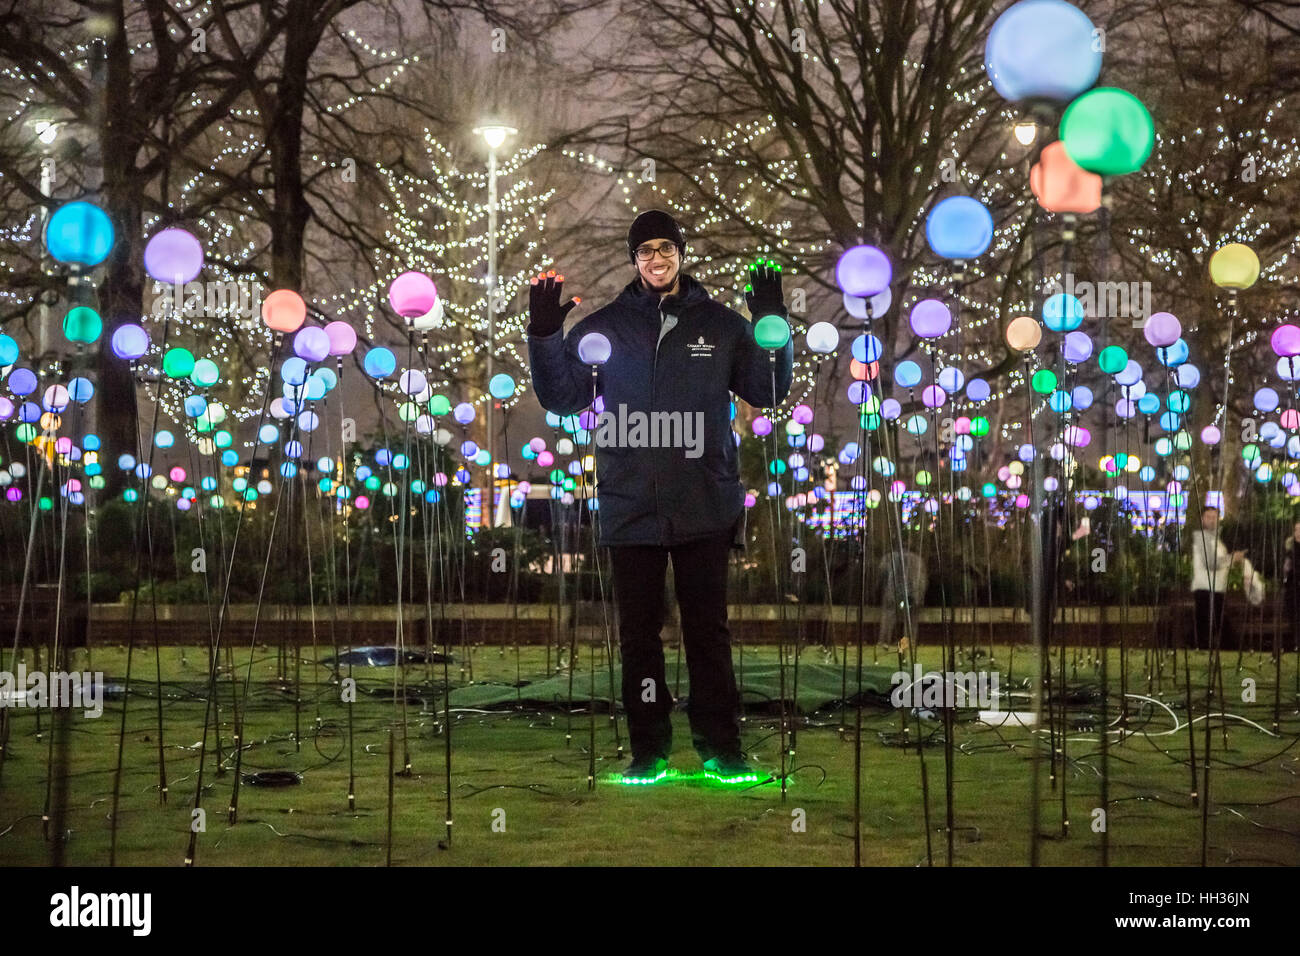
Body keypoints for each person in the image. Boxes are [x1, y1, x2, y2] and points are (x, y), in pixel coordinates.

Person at [526, 209, 793, 783]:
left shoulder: (721, 326)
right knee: (639, 636)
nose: (655, 258)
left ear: (681, 253)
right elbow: (563, 399)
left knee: (707, 632)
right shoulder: (605, 329)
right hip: (630, 504)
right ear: (634, 259)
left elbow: (768, 390)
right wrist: (546, 337)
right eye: (644, 250)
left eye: (665, 248)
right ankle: (649, 750)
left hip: (704, 502)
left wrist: (772, 319)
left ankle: (722, 748)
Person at [1188, 505, 1242, 649]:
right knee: (1212, 622)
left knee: (1210, 622)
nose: (1212, 521)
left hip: (1216, 588)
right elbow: (1211, 562)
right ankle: (1223, 646)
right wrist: (1232, 559)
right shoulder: (1202, 538)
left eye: (1214, 517)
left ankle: (1200, 646)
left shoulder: (1216, 540)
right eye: (1209, 517)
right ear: (1203, 519)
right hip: (1206, 587)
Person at [879, 548, 926, 647]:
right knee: (910, 619)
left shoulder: (889, 557)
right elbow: (922, 579)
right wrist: (919, 595)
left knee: (889, 615)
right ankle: (906, 643)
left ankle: (884, 641)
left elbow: (882, 574)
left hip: (893, 591)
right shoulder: (917, 560)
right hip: (912, 592)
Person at [1283, 521, 1300, 652]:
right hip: (1293, 586)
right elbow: (1286, 567)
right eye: (1296, 529)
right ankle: (1296, 642)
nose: (1298, 532)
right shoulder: (1290, 548)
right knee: (1293, 615)